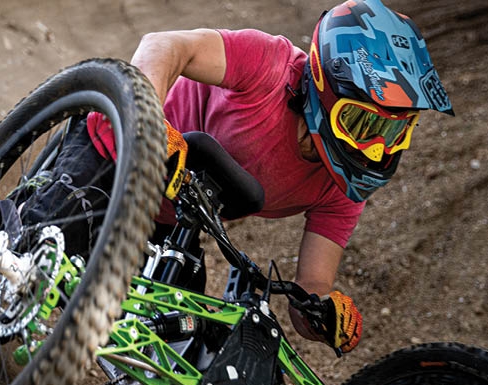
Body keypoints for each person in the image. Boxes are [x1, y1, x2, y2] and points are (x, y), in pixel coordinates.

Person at [84, 0, 453, 353]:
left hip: (169, 222)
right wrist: (146, 123)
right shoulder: (270, 65)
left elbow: (311, 287)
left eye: (391, 133)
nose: (374, 149)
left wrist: (324, 315)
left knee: (170, 360)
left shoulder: (342, 190)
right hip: (108, 155)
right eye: (360, 123)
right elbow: (162, 44)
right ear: (327, 91)